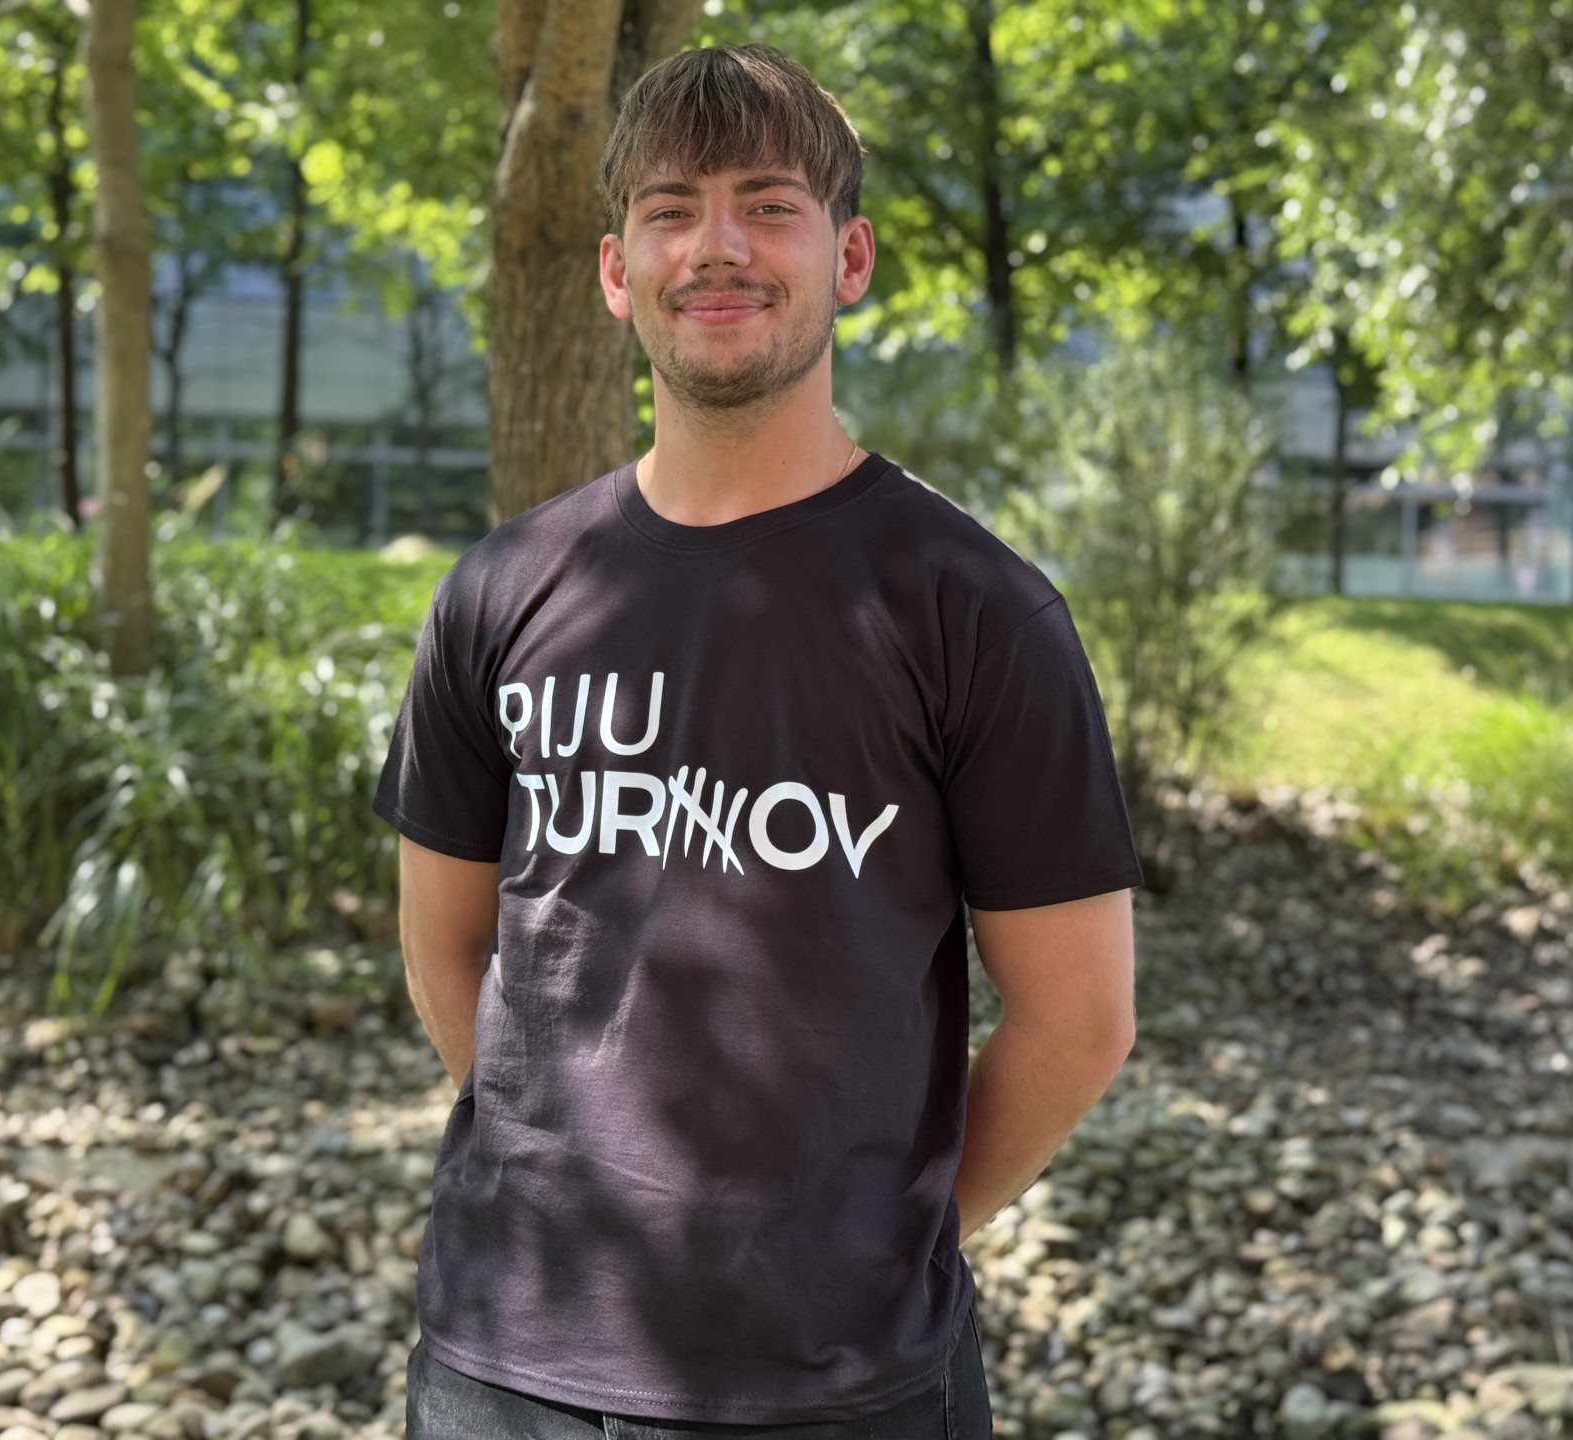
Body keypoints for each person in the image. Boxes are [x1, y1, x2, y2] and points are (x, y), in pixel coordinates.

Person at [371, 42, 1142, 1440]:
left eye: (768, 205)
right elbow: (447, 947)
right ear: (618, 272)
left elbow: (1078, 1021)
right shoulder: (500, 591)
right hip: (502, 1360)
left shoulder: (974, 609)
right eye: (670, 210)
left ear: (850, 258)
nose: (715, 247)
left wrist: (884, 1246)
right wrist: (557, 1169)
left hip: (843, 1387)